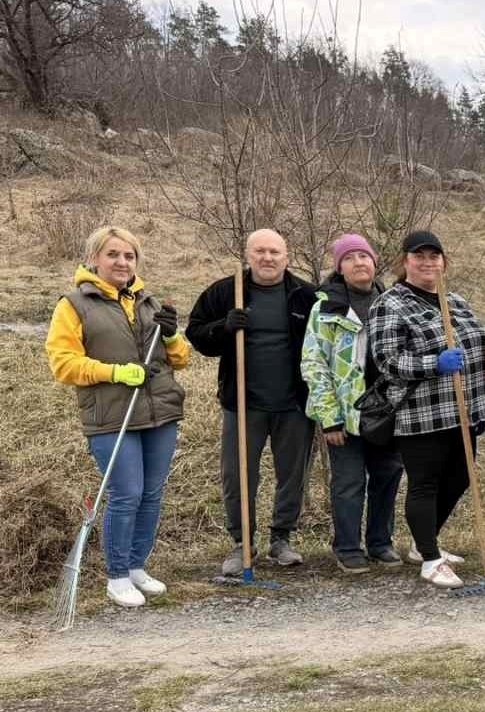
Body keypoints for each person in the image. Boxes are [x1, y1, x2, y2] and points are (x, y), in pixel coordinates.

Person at [47, 226, 189, 607]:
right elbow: (63, 364)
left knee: (152, 494)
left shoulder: (148, 301)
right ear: (94, 259)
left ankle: (138, 566)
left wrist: (173, 336)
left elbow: (180, 360)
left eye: (129, 256)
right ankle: (117, 575)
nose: (121, 262)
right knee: (126, 494)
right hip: (112, 415)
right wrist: (114, 372)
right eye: (113, 255)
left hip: (160, 413)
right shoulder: (75, 305)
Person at [187, 228, 317, 576]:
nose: (267, 258)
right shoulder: (228, 291)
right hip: (243, 403)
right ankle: (242, 542)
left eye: (275, 252)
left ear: (287, 257)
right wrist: (223, 328)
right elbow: (196, 333)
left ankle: (281, 539)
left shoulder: (305, 295)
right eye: (260, 251)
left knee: (293, 474)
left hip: (294, 404)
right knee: (238, 476)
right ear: (248, 255)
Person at [367, 231, 485, 588]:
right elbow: (387, 361)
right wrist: (433, 363)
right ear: (404, 261)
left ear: (443, 261)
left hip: (463, 410)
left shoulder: (454, 300)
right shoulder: (391, 303)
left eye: (434, 256)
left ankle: (425, 544)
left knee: (460, 477)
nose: (427, 262)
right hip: (421, 413)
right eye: (418, 256)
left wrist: (478, 404)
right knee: (425, 484)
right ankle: (430, 560)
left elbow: (477, 348)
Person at [301, 234, 404, 573]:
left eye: (365, 256)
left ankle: (380, 542)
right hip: (345, 414)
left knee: (387, 477)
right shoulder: (326, 308)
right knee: (348, 483)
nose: (360, 262)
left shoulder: (391, 302)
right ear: (339, 267)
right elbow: (314, 364)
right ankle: (347, 547)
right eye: (350, 257)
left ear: (375, 263)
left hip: (386, 411)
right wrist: (328, 417)